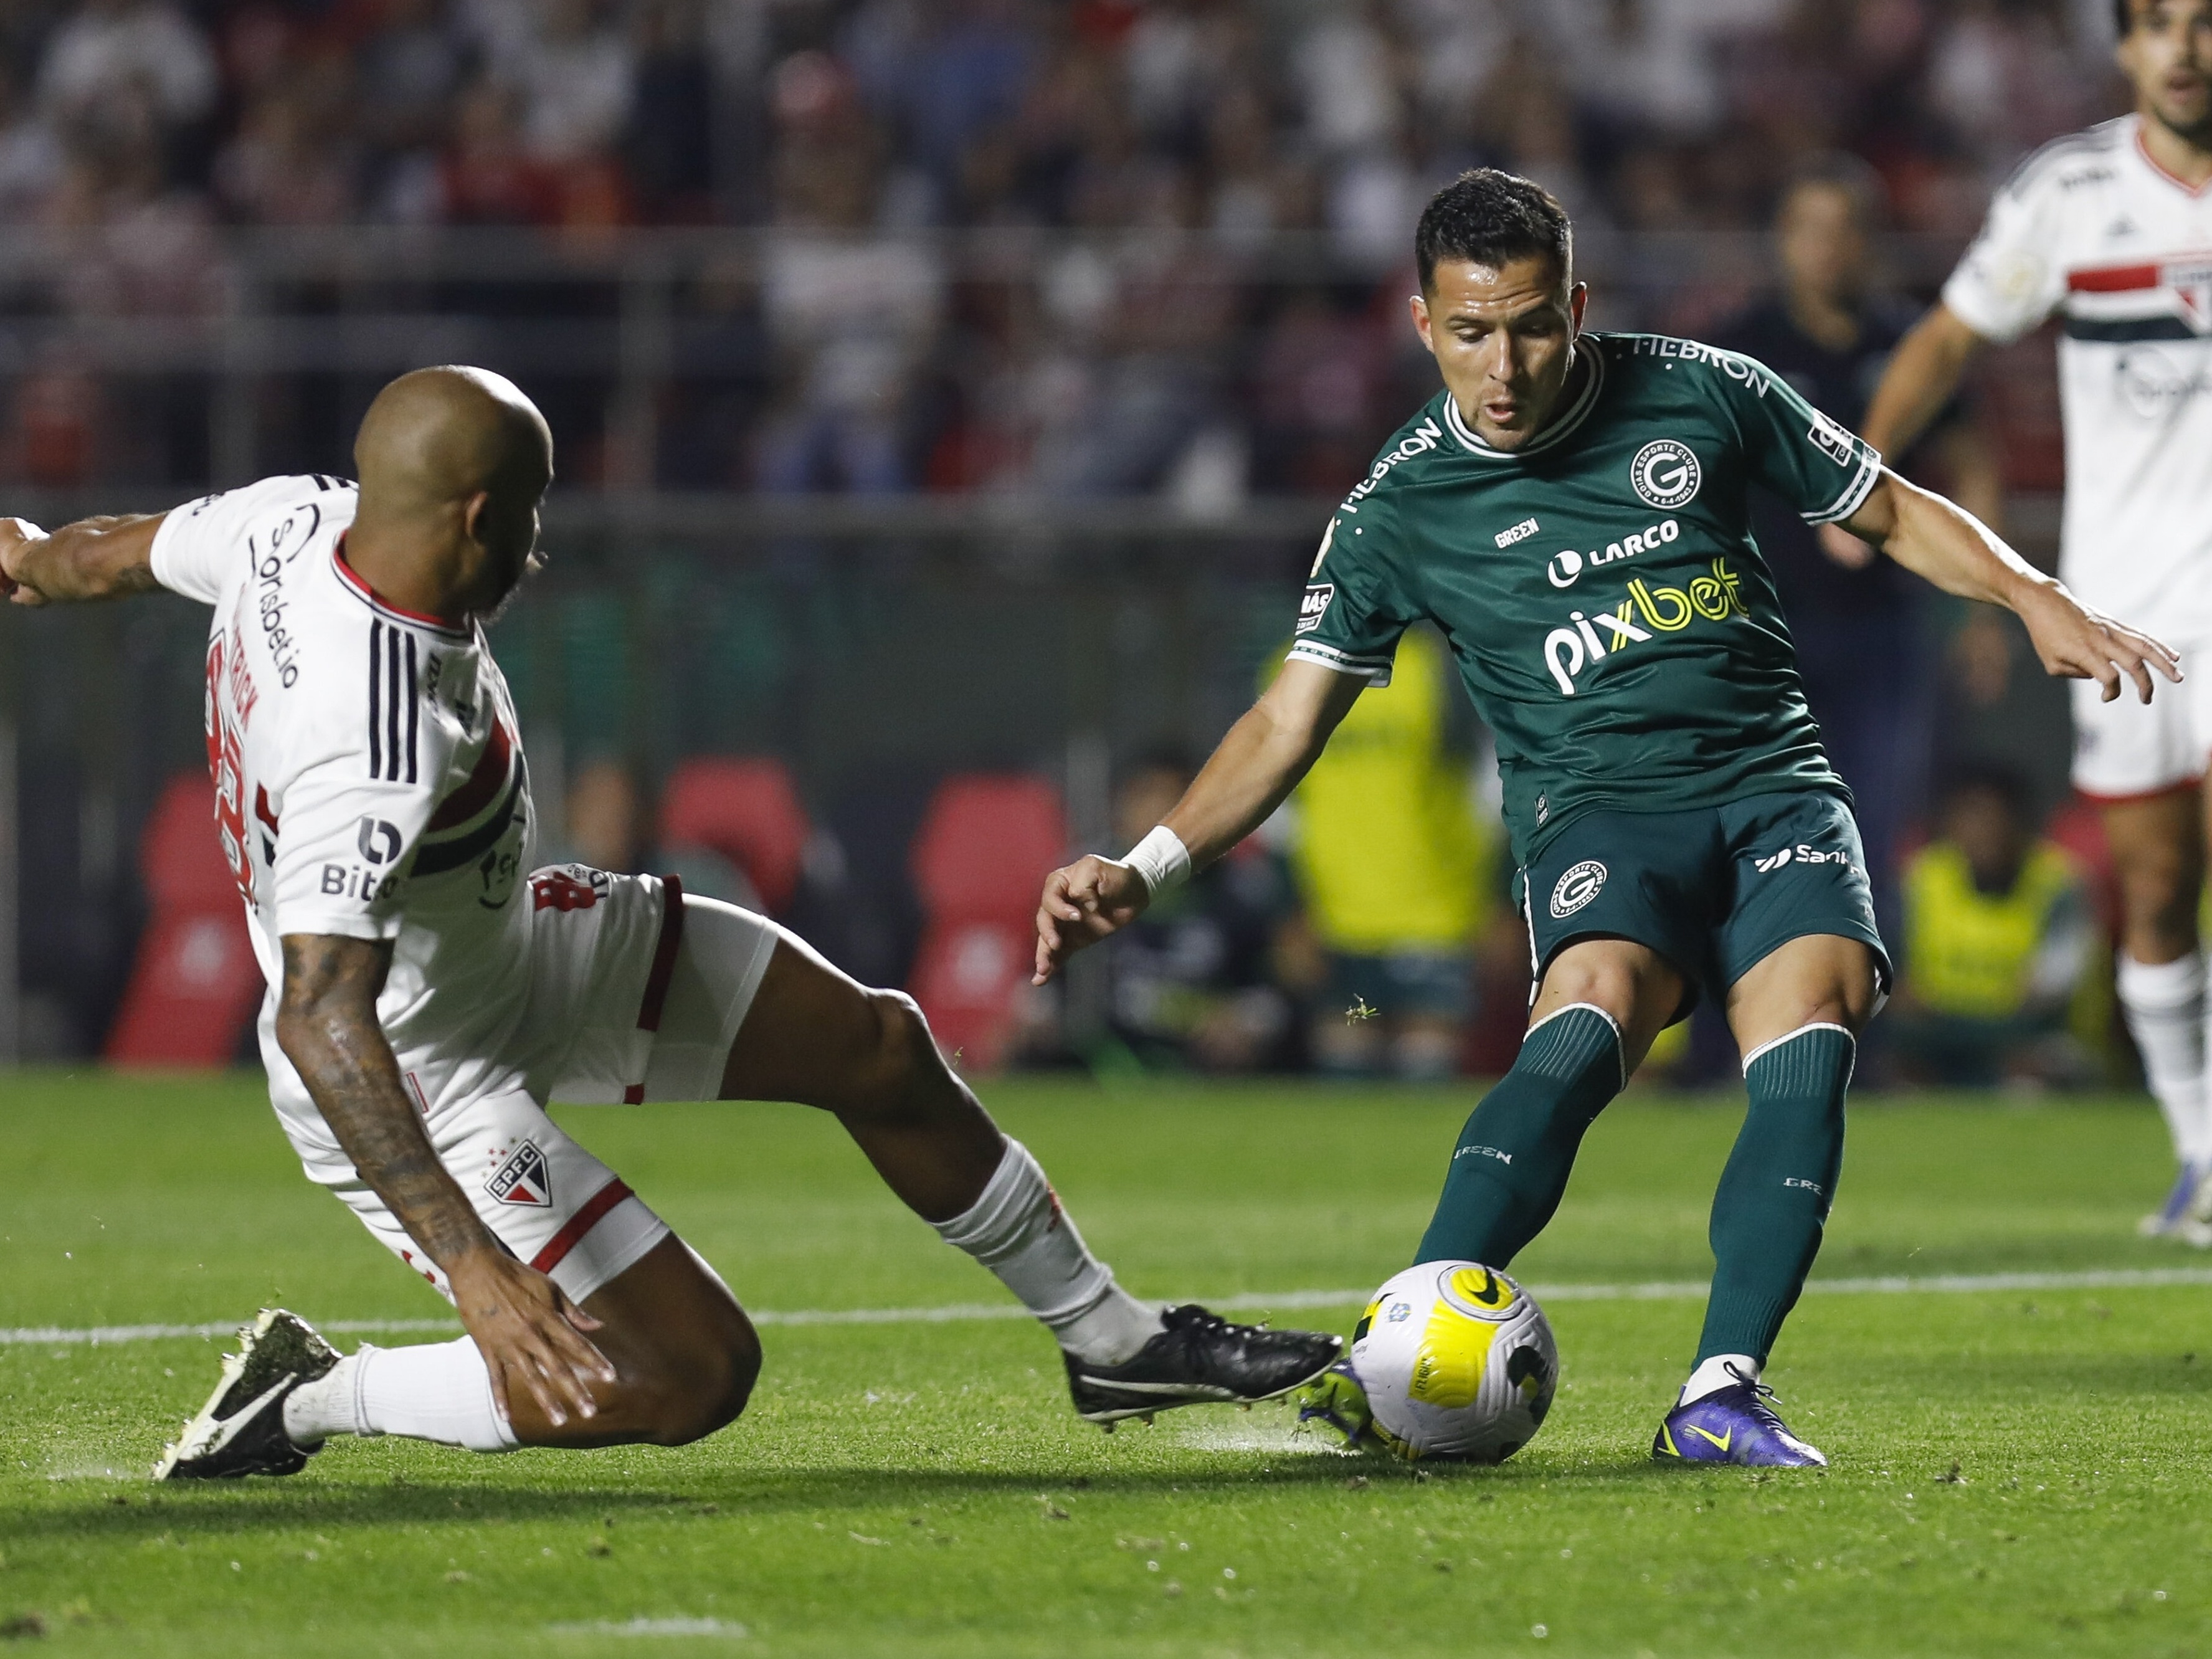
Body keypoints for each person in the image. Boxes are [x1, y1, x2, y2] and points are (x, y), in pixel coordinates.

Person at [0, 366, 1339, 1479]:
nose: (537, 544)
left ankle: (1109, 1338)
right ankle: (303, 1400)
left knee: (876, 1046)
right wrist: (471, 1266)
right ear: (471, 512)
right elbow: (317, 1008)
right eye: (525, 515)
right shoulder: (372, 732)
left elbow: (93, 554)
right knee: (690, 1372)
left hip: (514, 942)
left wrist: (22, 555)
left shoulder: (294, 519)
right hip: (425, 1075)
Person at [1032, 169, 2176, 1467]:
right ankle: (1393, 1354)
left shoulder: (1704, 389)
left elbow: (1888, 505)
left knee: (1814, 1013)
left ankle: (1718, 1390)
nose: (1502, 363)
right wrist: (1146, 863)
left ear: (1574, 306)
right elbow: (1282, 722)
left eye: (1529, 325)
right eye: (1469, 332)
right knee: (1589, 1007)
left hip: (1770, 784)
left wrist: (2030, 596)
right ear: (1422, 324)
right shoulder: (1396, 507)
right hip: (1595, 814)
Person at [1860, 0, 2212, 1240]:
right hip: (2125, 607)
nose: (2180, 48)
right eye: (2156, 25)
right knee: (2157, 885)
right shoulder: (2069, 192)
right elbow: (1950, 334)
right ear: (2122, 48)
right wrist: (1860, 466)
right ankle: (2197, 1152)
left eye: (2201, 23)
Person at [1712, 157, 2006, 944]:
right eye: (1808, 229)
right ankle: (1725, 1042)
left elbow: (1974, 465)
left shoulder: (1905, 341)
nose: (1826, 249)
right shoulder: (1740, 347)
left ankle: (1858, 1040)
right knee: (1750, 823)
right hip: (1763, 628)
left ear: (1869, 241)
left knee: (1871, 826)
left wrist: (1981, 614)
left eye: (1844, 230)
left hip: (1886, 627)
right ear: (1779, 241)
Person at [1271, 626, 1492, 1081]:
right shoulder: (1292, 666)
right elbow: (1276, 795)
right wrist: (1289, 905)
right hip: (1335, 918)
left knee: (1425, 1065)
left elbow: (1491, 783)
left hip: (1436, 918)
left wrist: (1499, 896)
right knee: (1348, 1055)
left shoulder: (1442, 665)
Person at [1887, 768, 2098, 1090]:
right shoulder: (1922, 877)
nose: (1984, 833)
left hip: (2027, 1034)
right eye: (1971, 820)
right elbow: (1895, 977)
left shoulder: (2057, 881)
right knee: (1900, 1055)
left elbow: (2053, 987)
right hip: (1940, 1034)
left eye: (1995, 820)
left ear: (2021, 825)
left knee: (2035, 1067)